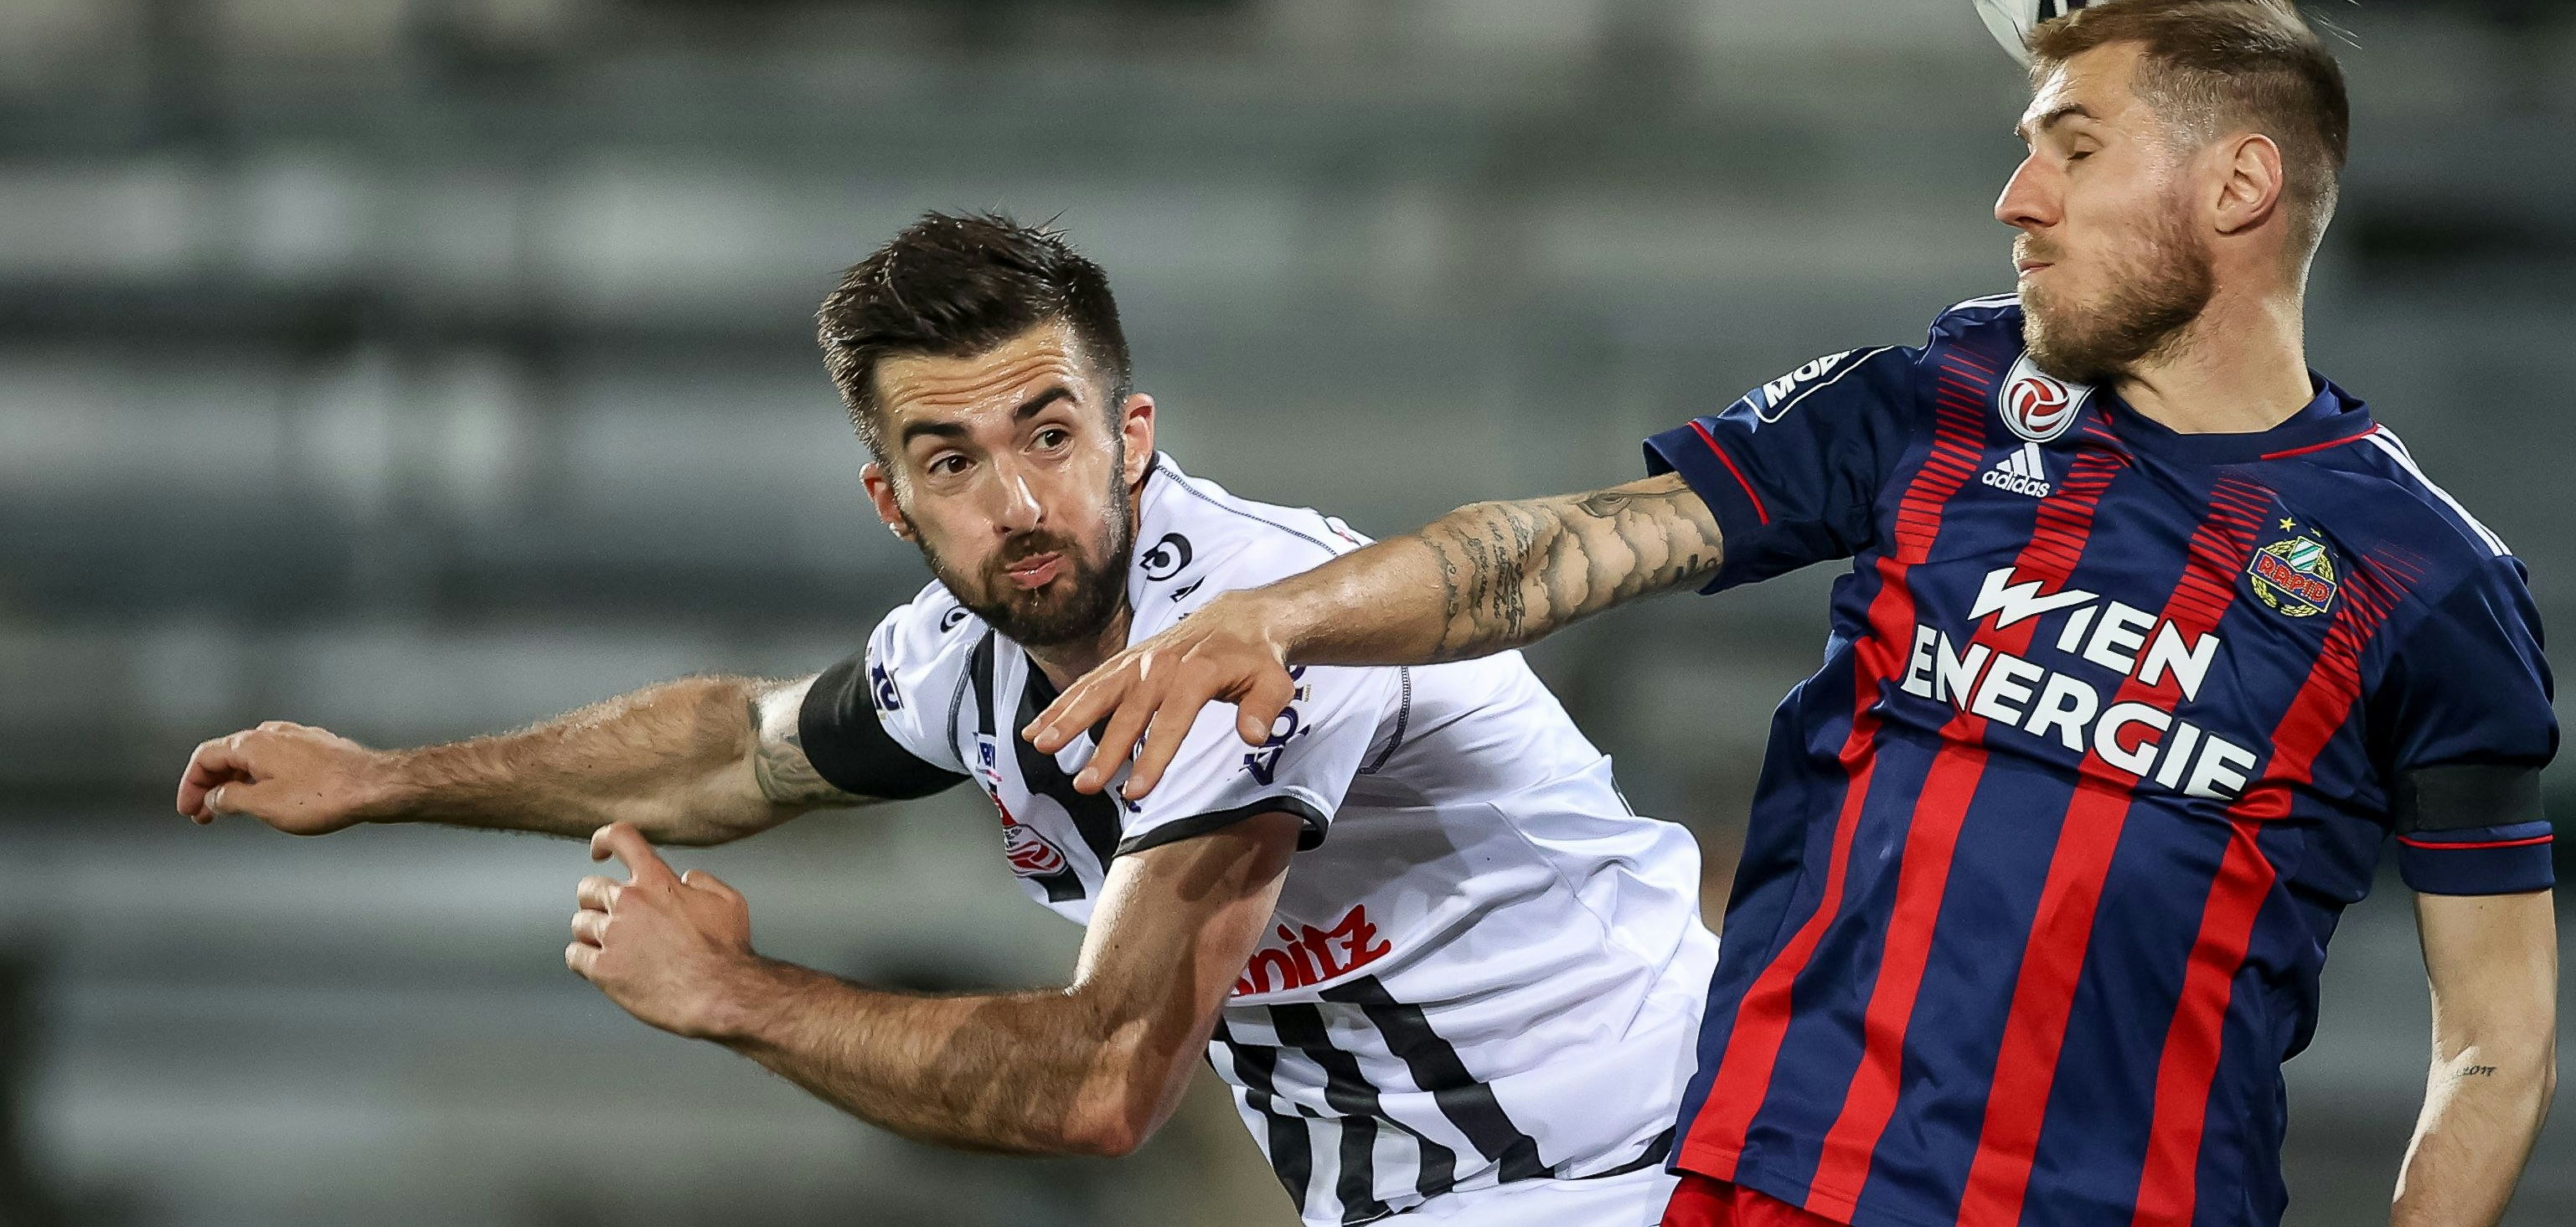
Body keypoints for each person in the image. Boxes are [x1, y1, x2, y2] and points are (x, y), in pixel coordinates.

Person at [1026, 0, 2561, 1227]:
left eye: (2074, 148)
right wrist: (1288, 614)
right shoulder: (1944, 401)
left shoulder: (2427, 583)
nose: (2018, 196)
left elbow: (2495, 1041)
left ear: (2238, 182)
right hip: (1777, 1192)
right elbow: (1581, 542)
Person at [175, 213, 1717, 1227]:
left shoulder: (1248, 637)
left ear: (1132, 435)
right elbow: (737, 748)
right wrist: (386, 777)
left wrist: (738, 995)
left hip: (1647, 1167)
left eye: (1049, 434)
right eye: (954, 460)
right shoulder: (964, 655)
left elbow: (1105, 1080)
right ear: (890, 497)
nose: (1022, 501)